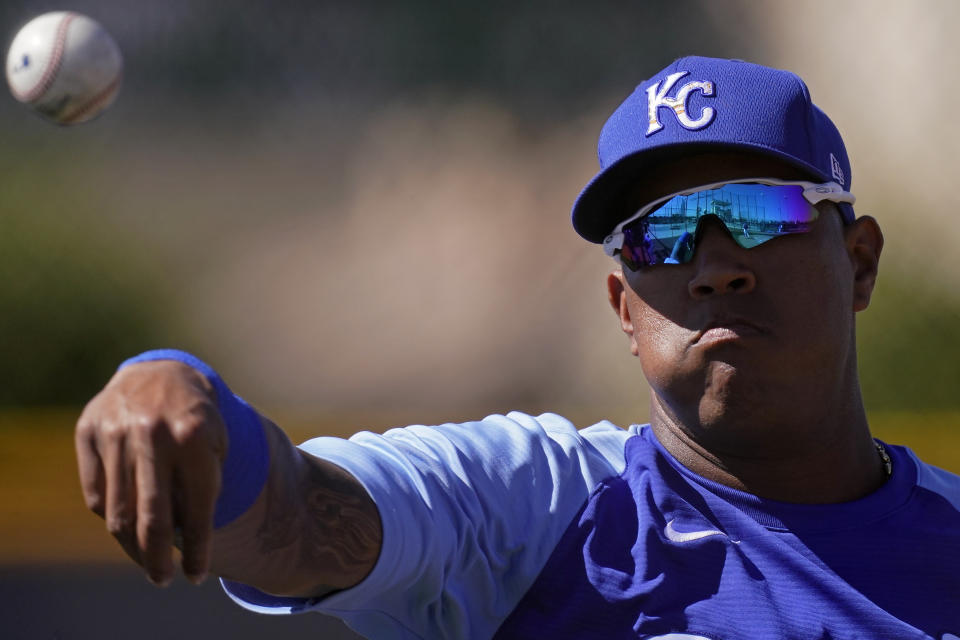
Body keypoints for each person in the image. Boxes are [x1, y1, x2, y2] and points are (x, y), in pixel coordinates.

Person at [75, 56, 960, 639]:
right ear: (624, 305)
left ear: (859, 260)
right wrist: (183, 395)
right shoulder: (534, 509)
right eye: (661, 235)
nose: (714, 266)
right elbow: (300, 521)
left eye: (761, 211)